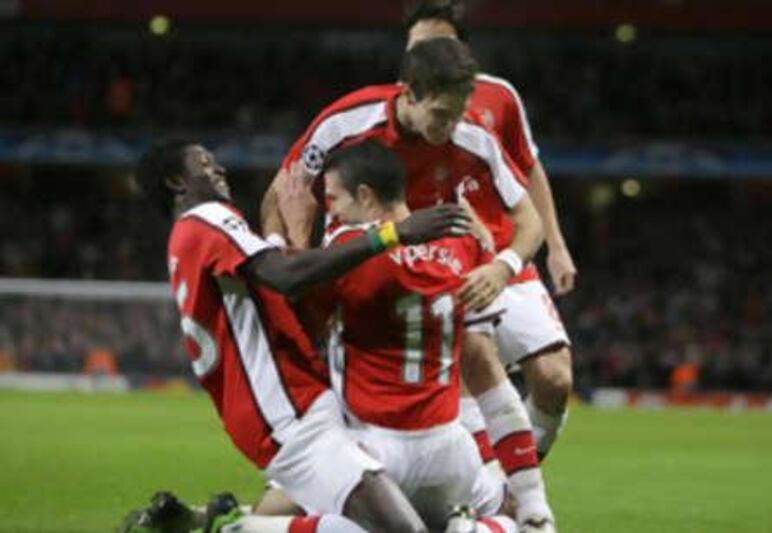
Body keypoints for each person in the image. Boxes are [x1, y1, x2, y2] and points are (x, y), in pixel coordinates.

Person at [261, 39, 555, 530]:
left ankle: (534, 507)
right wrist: (292, 255)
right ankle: (512, 517)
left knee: (480, 355)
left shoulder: (475, 138)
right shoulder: (344, 124)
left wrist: (502, 266)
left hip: (429, 269)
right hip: (356, 271)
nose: (450, 128)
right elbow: (283, 193)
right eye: (441, 114)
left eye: (460, 114)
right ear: (409, 94)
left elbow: (529, 222)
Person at [135, 139, 473, 533]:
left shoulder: (186, 238)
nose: (219, 169)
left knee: (403, 517)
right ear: (177, 181)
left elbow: (272, 281)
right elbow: (283, 276)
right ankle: (231, 528)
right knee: (402, 531)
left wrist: (285, 237)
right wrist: (391, 234)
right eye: (205, 164)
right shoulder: (208, 218)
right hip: (287, 414)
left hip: (285, 409)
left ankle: (221, 520)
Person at [403, 0, 576, 460]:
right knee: (467, 394)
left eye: (439, 44)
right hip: (441, 269)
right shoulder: (401, 105)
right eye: (417, 46)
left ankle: (513, 478)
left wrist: (555, 246)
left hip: (506, 254)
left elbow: (529, 170)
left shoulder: (499, 97)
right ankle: (502, 498)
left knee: (555, 377)